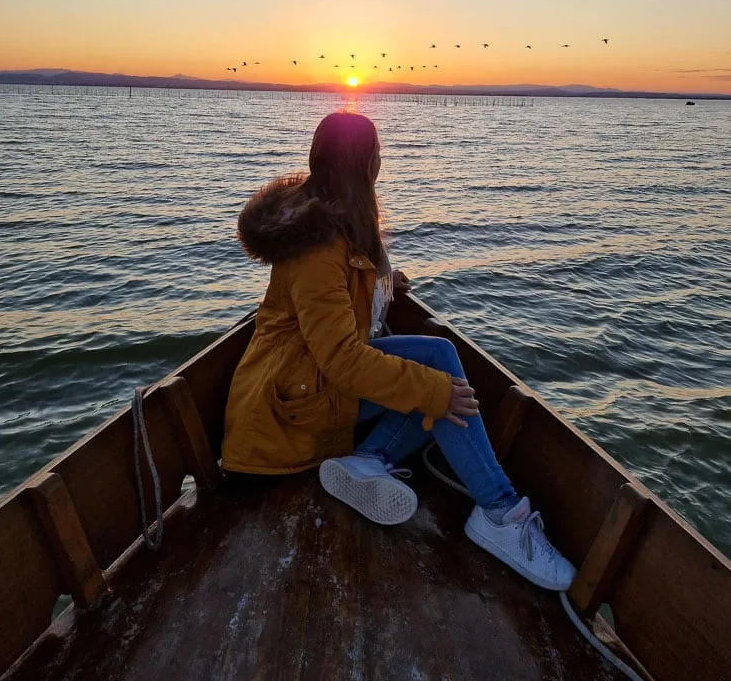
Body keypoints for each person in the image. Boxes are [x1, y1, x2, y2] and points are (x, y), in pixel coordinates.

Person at [221, 111, 574, 591]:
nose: (382, 162)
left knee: (438, 360)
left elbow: (345, 292)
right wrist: (433, 394)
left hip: (304, 384)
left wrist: (385, 282)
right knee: (437, 384)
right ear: (365, 166)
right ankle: (498, 513)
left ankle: (369, 460)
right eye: (377, 155)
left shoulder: (325, 219)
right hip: (291, 410)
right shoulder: (316, 249)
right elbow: (342, 358)